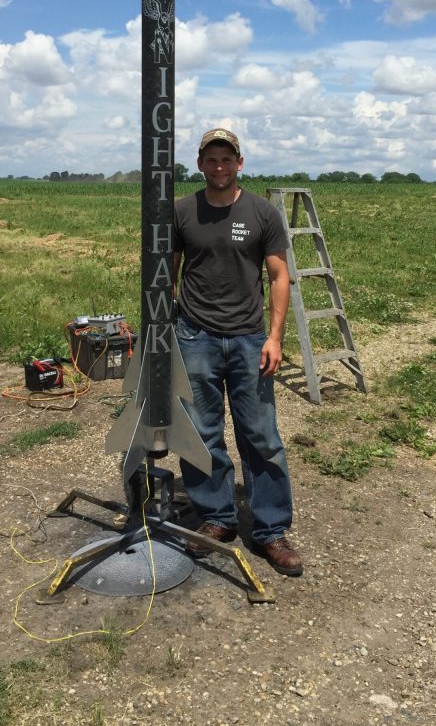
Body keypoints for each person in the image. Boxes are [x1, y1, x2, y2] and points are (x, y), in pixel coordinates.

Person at [173, 127, 303, 576]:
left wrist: (275, 337)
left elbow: (278, 275)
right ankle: (217, 518)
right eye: (211, 159)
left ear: (240, 163)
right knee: (201, 432)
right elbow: (167, 274)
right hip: (195, 337)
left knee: (261, 437)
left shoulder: (262, 212)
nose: (219, 167)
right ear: (200, 163)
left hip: (250, 339)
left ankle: (270, 530)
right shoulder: (183, 211)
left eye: (227, 159)